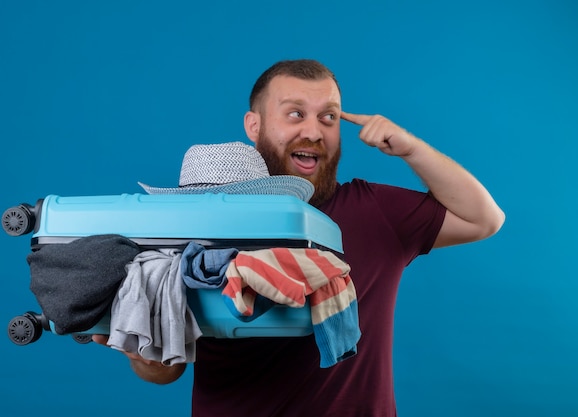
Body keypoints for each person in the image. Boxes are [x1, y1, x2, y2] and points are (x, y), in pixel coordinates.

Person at [93, 59, 505, 416]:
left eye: (328, 117)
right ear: (254, 126)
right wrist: (138, 349)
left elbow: (483, 219)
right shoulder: (192, 226)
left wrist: (411, 148)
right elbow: (165, 370)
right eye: (295, 114)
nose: (314, 130)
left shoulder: (375, 210)